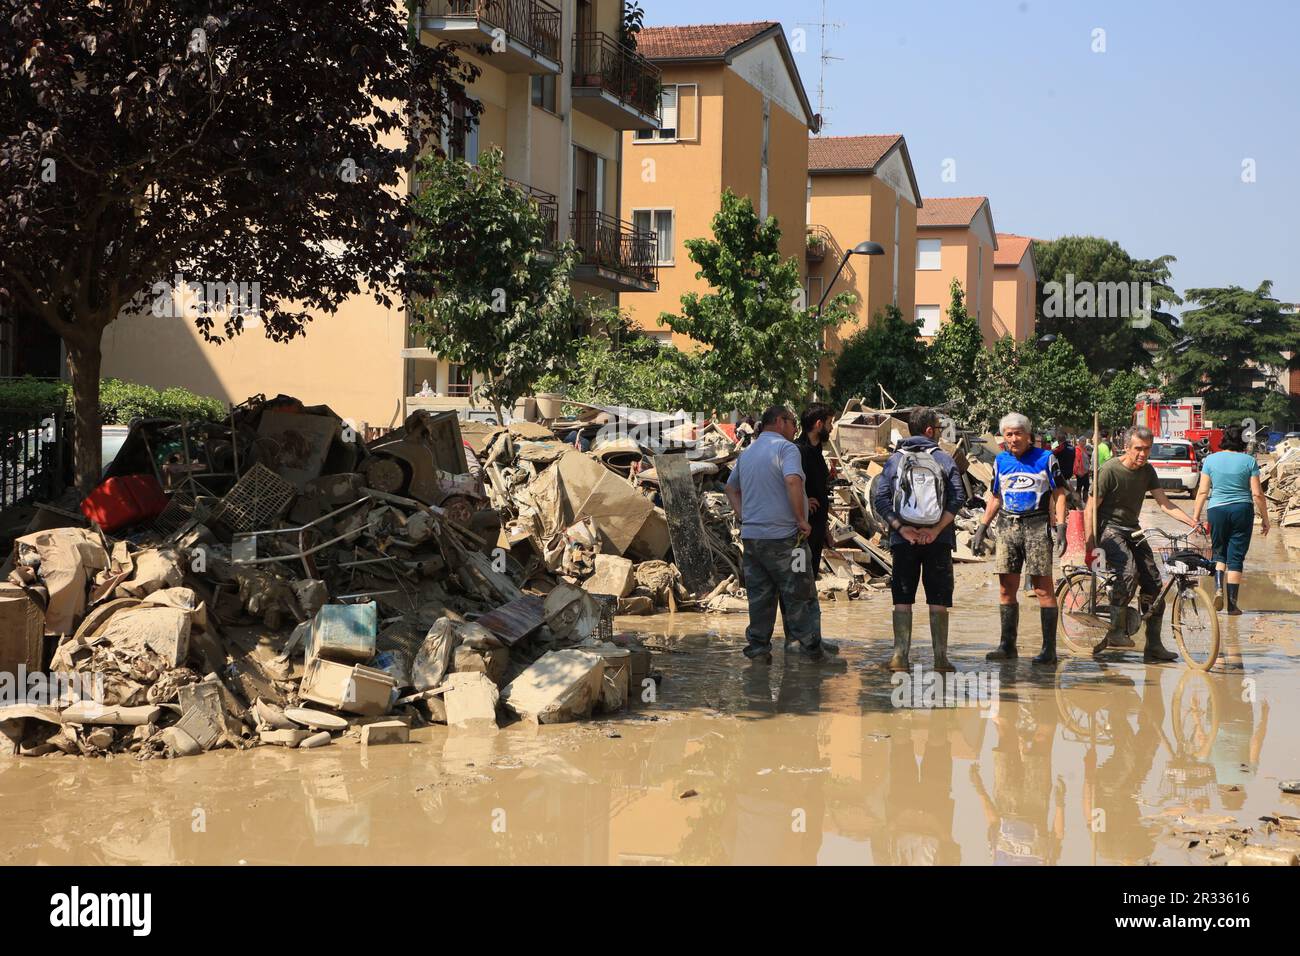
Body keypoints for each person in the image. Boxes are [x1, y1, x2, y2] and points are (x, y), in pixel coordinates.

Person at [725, 406, 838, 663]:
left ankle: (758, 651)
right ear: (779, 422)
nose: (795, 428)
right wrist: (801, 519)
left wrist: (745, 516)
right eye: (792, 423)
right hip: (788, 540)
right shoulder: (786, 449)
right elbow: (793, 482)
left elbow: (731, 489)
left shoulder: (748, 453)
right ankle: (810, 650)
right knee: (800, 591)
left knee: (760, 597)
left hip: (754, 541)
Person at [1088, 426, 1203, 661]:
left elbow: (1164, 503)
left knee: (1154, 582)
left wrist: (1192, 520)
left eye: (1147, 449)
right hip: (1108, 529)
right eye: (1138, 449)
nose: (1142, 454)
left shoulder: (1148, 471)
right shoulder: (1110, 470)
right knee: (1128, 571)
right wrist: (1090, 543)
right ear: (1127, 447)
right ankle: (1116, 631)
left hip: (1133, 529)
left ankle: (1153, 646)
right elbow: (1090, 507)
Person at [873, 407, 966, 673]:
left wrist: (902, 529)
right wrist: (935, 531)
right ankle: (940, 661)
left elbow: (881, 499)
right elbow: (958, 497)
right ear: (929, 431)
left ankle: (900, 659)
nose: (939, 433)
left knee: (902, 598)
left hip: (905, 541)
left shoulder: (895, 460)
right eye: (938, 429)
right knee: (938, 598)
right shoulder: (944, 459)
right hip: (938, 540)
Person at [970, 413, 1068, 666]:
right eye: (1008, 434)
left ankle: (1049, 650)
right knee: (1006, 588)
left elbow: (1059, 493)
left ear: (1028, 435)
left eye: (1018, 433)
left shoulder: (1046, 458)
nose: (1013, 439)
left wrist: (1061, 527)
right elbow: (995, 497)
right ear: (1003, 437)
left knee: (1042, 589)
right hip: (1007, 526)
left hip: (1037, 526)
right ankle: (1007, 646)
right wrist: (981, 528)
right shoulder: (1001, 461)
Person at [1192, 425, 1270, 615]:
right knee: (1235, 557)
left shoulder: (1210, 460)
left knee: (1219, 553)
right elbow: (1257, 494)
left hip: (1216, 510)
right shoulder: (1249, 461)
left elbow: (1202, 491)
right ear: (1242, 441)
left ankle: (1218, 587)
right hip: (1241, 510)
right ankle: (1232, 606)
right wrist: (1265, 519)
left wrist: (1195, 517)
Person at [796, 404, 835, 579]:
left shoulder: (817, 451)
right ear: (819, 424)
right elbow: (789, 484)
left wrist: (825, 530)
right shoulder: (796, 451)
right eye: (829, 423)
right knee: (798, 576)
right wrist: (804, 501)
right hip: (800, 531)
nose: (832, 428)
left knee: (809, 576)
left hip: (817, 528)